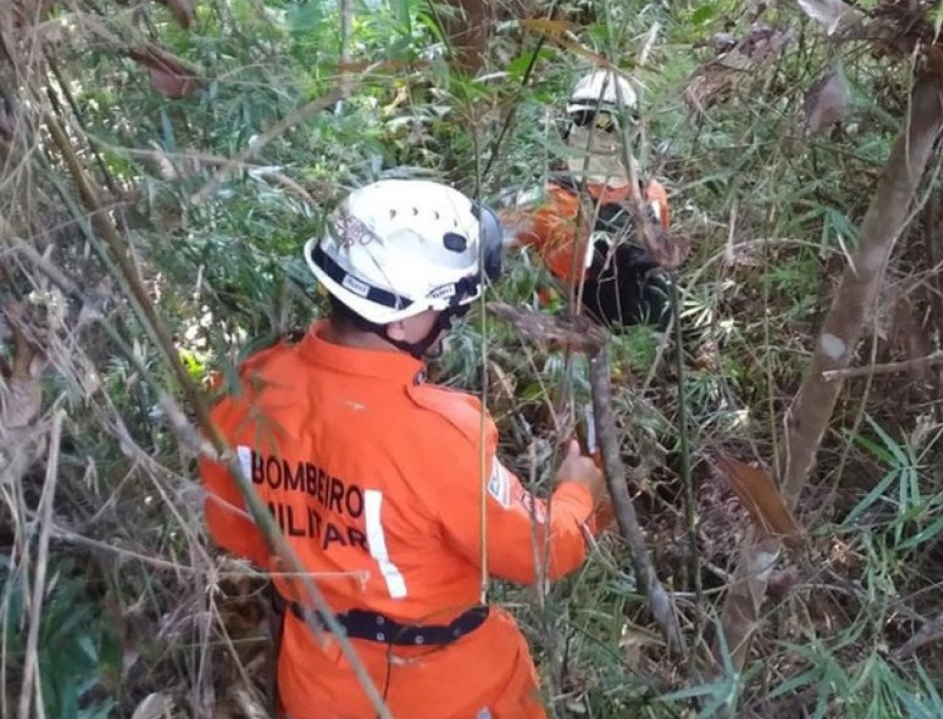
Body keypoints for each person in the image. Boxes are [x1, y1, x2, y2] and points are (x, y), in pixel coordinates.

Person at [198, 178, 608, 719]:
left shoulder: (245, 390)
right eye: (452, 309)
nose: (452, 324)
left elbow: (238, 531)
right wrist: (577, 492)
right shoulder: (439, 434)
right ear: (403, 317)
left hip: (316, 681)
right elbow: (540, 551)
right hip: (447, 689)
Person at [511, 70, 674, 331]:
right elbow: (507, 271)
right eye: (585, 119)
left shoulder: (652, 195)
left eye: (608, 123)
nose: (597, 132)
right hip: (564, 344)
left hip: (639, 342)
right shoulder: (542, 200)